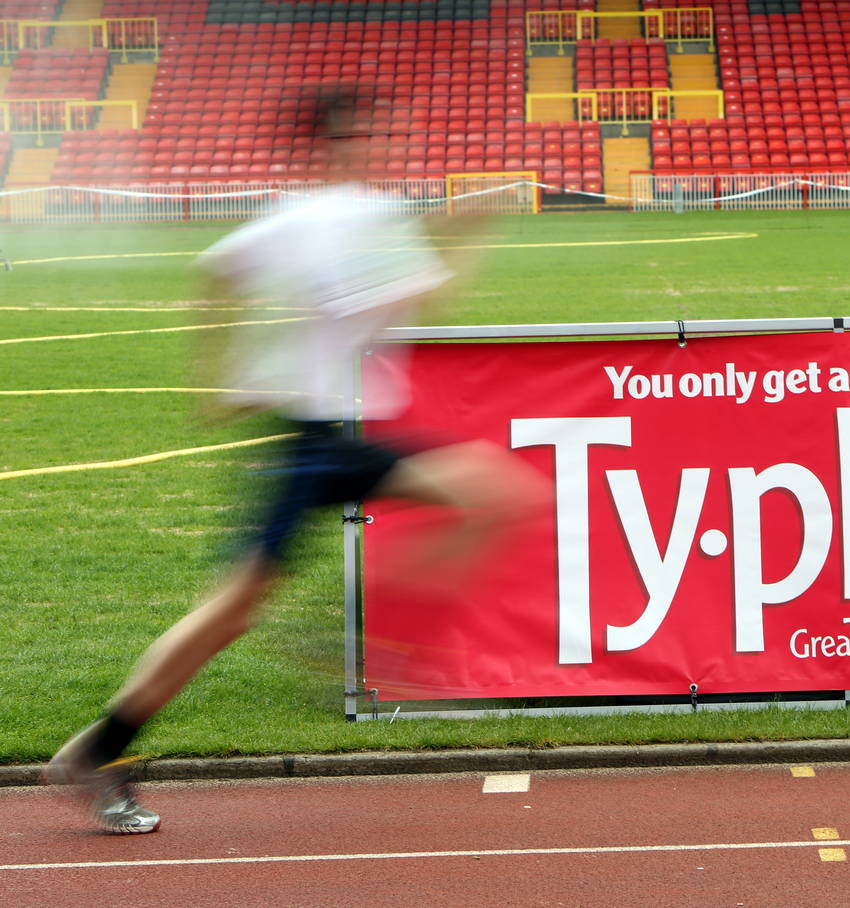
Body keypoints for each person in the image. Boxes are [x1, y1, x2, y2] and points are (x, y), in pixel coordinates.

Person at [44, 86, 546, 834]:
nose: (394, 145)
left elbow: (218, 272)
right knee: (228, 613)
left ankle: (379, 646)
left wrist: (218, 371)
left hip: (331, 437)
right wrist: (473, 229)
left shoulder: (295, 214)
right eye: (381, 133)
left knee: (499, 495)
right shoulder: (363, 215)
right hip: (321, 440)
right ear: (341, 143)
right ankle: (101, 750)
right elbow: (432, 298)